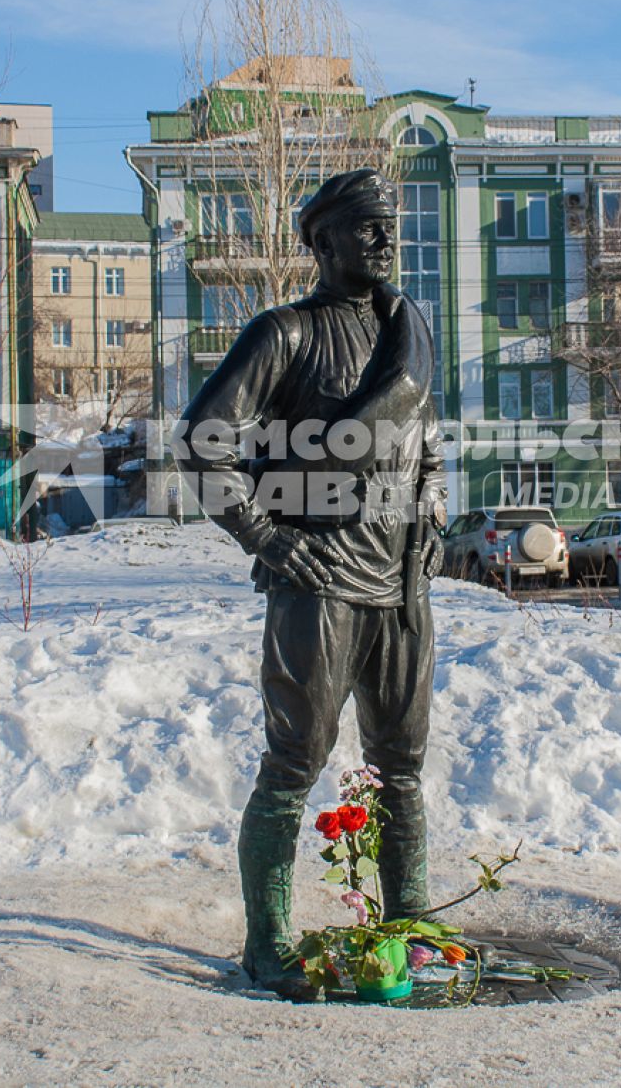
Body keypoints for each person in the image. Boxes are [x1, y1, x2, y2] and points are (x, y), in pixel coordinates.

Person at [176, 169, 444, 1001]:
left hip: (403, 588)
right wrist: (264, 537)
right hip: (320, 581)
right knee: (294, 764)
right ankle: (268, 946)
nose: (384, 241)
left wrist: (432, 513)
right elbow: (201, 440)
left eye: (387, 227)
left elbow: (427, 443)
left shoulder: (408, 329)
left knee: (401, 769)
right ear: (323, 242)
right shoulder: (285, 333)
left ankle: (411, 932)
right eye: (367, 228)